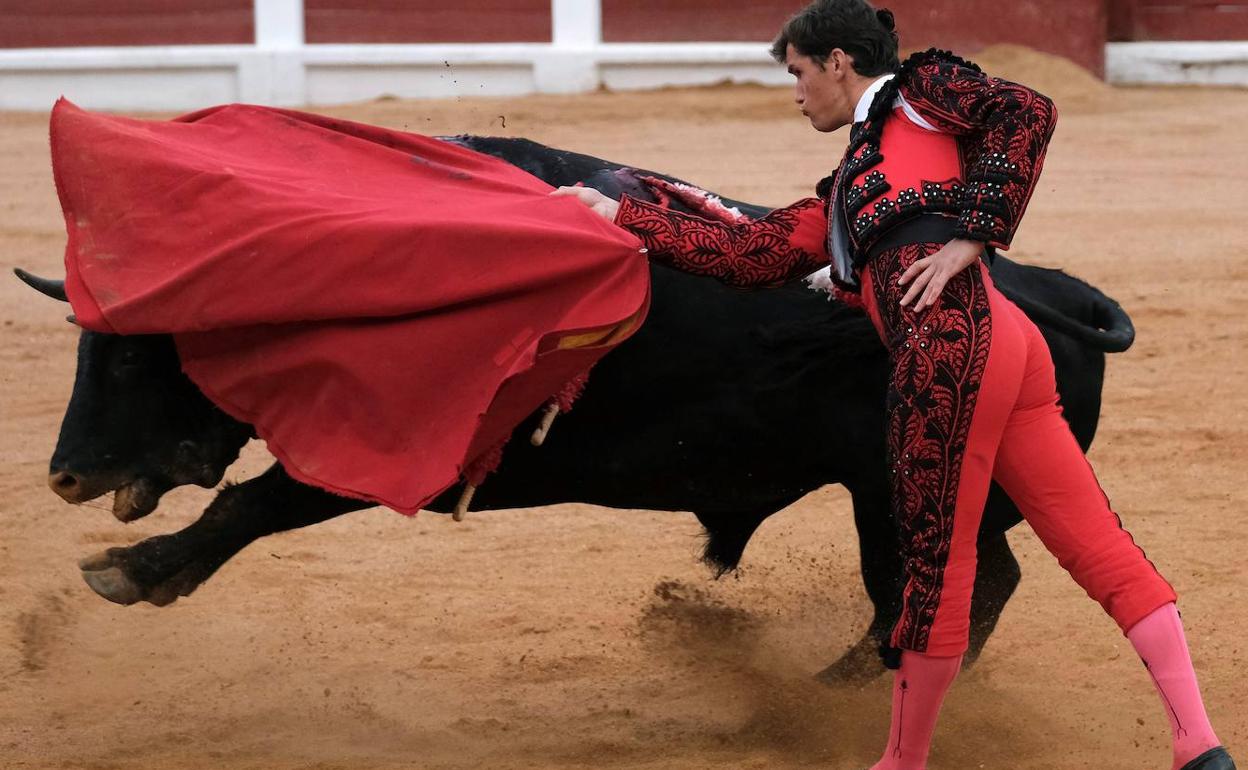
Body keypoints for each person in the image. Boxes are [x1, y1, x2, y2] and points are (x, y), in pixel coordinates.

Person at [550, 2, 1236, 769]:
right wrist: (619, 212)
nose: (795, 91)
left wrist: (973, 237)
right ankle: (1197, 745)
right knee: (1094, 546)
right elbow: (749, 253)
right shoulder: (849, 186)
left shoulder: (922, 91)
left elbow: (1027, 109)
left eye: (799, 73)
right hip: (1006, 347)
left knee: (937, 567)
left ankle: (901, 763)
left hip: (947, 354)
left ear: (838, 61)